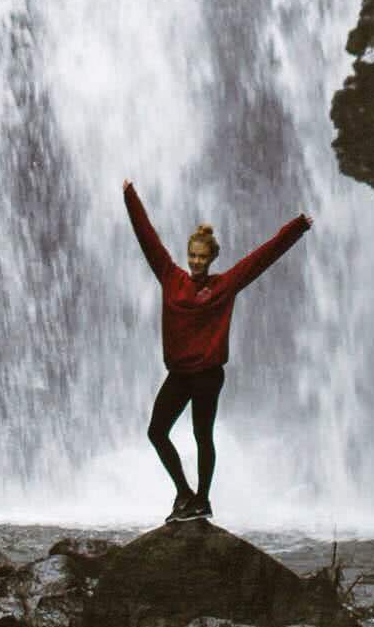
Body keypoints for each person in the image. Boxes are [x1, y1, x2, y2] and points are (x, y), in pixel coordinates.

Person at [122, 178, 311, 523]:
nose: (195, 261)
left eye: (201, 257)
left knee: (202, 434)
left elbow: (261, 258)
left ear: (211, 258)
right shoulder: (170, 276)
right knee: (156, 431)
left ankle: (203, 500)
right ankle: (183, 492)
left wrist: (296, 228)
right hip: (179, 373)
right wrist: (130, 196)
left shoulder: (224, 285)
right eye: (192, 255)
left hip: (208, 374)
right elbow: (147, 238)